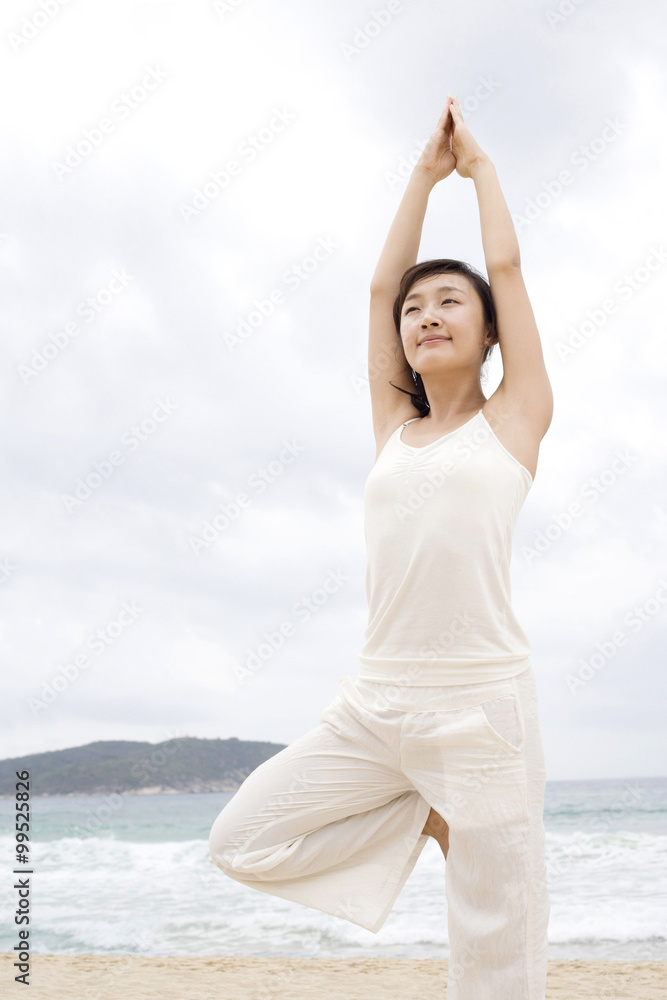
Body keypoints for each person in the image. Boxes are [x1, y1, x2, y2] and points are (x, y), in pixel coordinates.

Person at [208, 95, 553, 999]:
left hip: (481, 707)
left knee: (495, 946)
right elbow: (374, 286)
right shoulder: (389, 425)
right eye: (415, 309)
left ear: (486, 334)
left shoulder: (515, 421)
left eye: (449, 303)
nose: (425, 314)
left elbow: (507, 267)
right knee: (242, 837)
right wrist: (417, 176)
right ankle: (419, 818)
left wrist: (476, 171)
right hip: (374, 702)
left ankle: (443, 814)